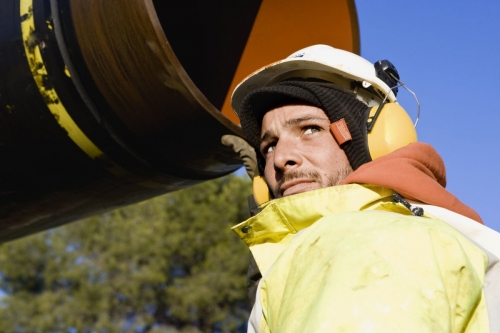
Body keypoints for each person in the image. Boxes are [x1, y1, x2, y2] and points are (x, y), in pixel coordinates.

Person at [222, 45, 500, 332]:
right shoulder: (428, 237)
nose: (279, 159)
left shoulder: (376, 242)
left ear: (374, 139)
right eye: (269, 146)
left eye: (310, 129)